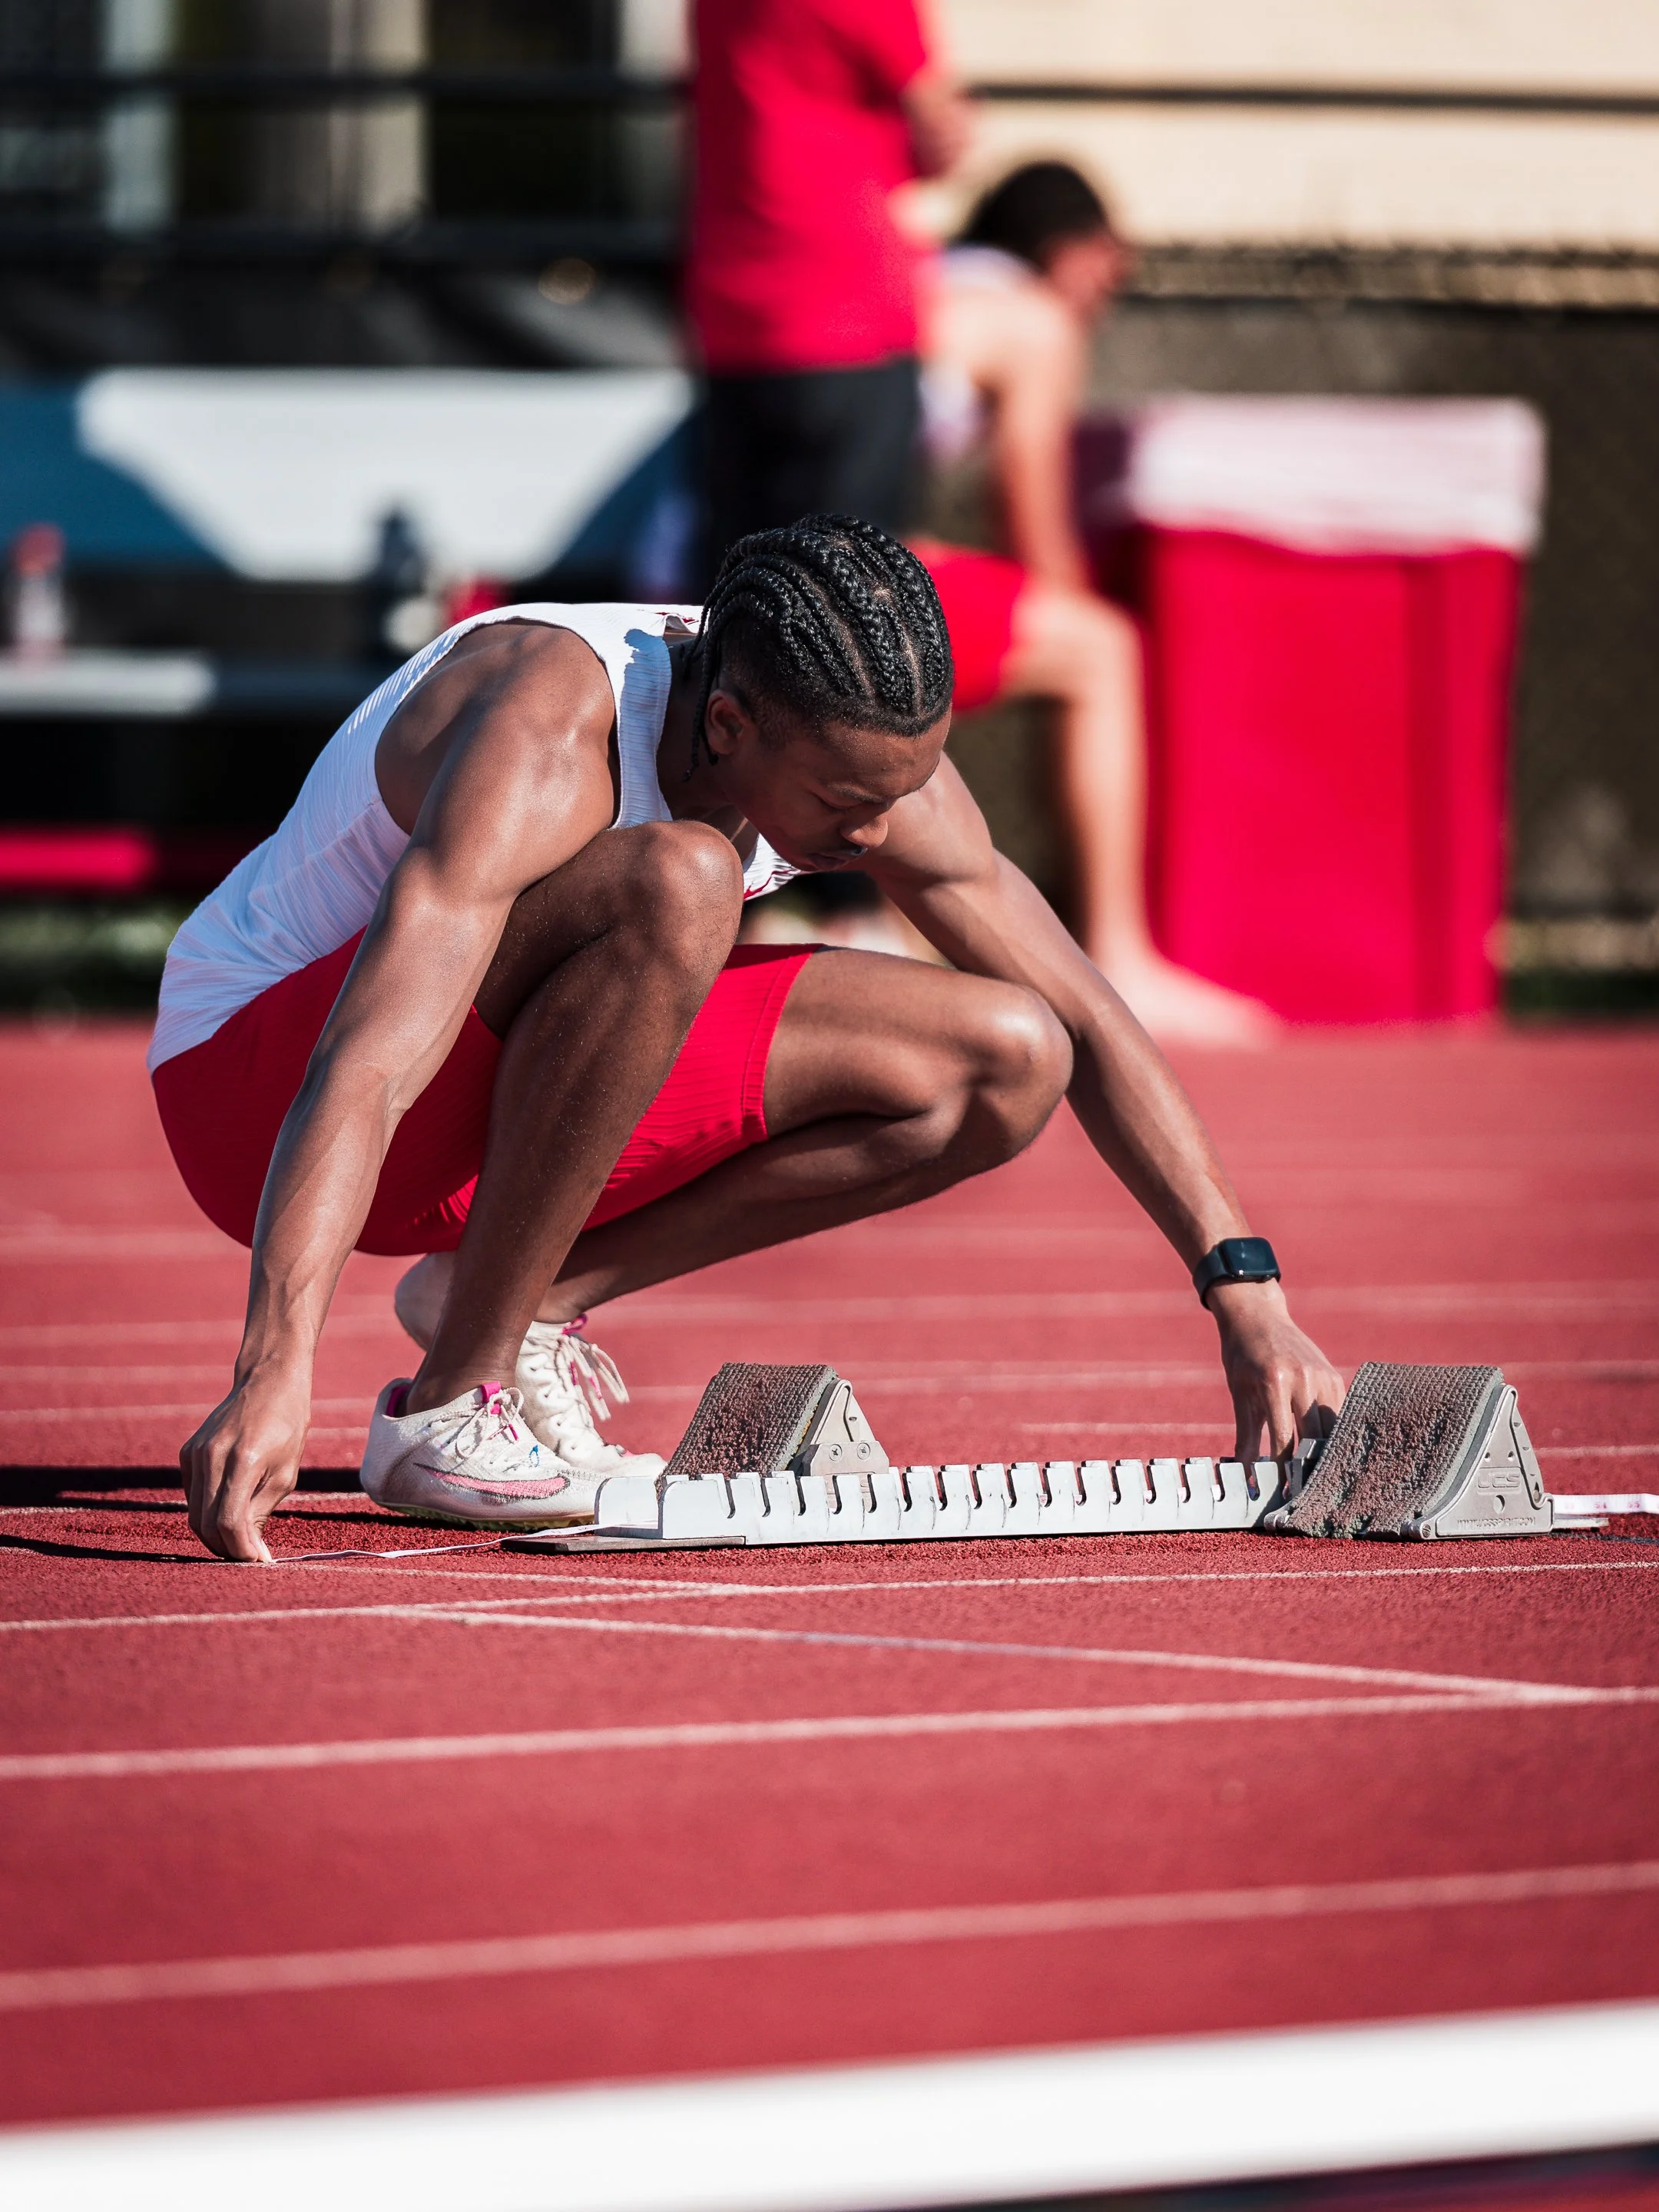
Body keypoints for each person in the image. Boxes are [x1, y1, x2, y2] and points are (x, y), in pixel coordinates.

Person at [154, 515, 1343, 1565]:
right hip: (255, 1097)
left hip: (461, 1114)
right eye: (845, 803)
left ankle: (509, 1309)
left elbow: (1083, 1005)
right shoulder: (549, 728)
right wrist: (273, 1365)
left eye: (906, 785)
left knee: (1010, 1054)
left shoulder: (858, 749)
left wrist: (1249, 1296)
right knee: (682, 880)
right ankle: (448, 1415)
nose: (880, 826)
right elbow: (368, 1059)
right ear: (726, 724)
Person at [914, 162, 1275, 1045]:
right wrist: (1069, 599)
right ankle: (1118, 953)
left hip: (724, 556)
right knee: (1102, 650)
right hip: (827, 570)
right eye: (1114, 264)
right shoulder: (1032, 320)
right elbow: (1030, 510)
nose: (1114, 288)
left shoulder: (940, 281)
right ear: (1074, 252)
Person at [687, 0, 971, 570]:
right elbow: (943, 129)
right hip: (847, 310)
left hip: (733, 314)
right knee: (848, 595)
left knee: (734, 588)